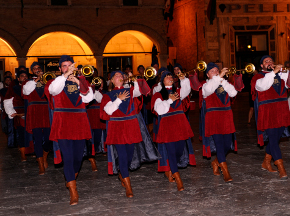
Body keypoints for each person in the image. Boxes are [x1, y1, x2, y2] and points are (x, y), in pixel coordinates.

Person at [100, 70, 158, 198]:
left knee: (130, 155)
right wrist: (119, 100)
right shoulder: (107, 95)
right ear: (112, 80)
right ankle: (128, 185)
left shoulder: (130, 91)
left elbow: (139, 92)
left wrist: (134, 80)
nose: (120, 77)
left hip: (131, 126)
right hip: (118, 128)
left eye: (122, 75)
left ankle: (122, 173)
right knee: (122, 155)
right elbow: (108, 110)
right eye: (117, 76)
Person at [46, 55, 93, 205]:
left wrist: (79, 81)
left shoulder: (81, 81)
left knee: (78, 157)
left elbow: (88, 98)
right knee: (67, 157)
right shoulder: (55, 82)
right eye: (64, 66)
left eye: (69, 65)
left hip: (79, 122)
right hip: (63, 123)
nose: (67, 68)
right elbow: (53, 90)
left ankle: (70, 178)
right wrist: (65, 76)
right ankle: (73, 191)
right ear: (60, 68)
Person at [251, 55, 290, 180]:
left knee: (275, 139)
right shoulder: (258, 77)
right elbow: (262, 86)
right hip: (268, 112)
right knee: (272, 137)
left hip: (282, 110)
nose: (269, 62)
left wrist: (287, 72)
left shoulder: (280, 75)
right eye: (266, 61)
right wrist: (274, 72)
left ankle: (266, 162)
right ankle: (281, 167)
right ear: (262, 66)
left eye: (271, 60)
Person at [151, 70, 194, 191]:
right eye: (166, 77)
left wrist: (183, 79)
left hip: (180, 124)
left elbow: (187, 89)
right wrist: (169, 100)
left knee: (179, 151)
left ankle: (170, 168)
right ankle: (178, 178)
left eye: (170, 76)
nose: (169, 77)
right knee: (171, 152)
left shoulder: (179, 91)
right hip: (167, 125)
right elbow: (159, 110)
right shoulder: (158, 95)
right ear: (162, 81)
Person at [200, 62, 237, 183]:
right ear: (207, 75)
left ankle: (216, 162)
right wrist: (219, 77)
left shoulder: (223, 82)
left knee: (227, 144)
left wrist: (223, 81)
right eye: (212, 71)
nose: (216, 72)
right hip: (214, 116)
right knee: (220, 144)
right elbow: (209, 90)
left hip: (226, 115)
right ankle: (225, 171)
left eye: (217, 70)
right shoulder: (206, 86)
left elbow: (233, 93)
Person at [22, 62, 51, 175]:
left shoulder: (47, 80)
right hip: (34, 112)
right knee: (37, 138)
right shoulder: (28, 82)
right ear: (32, 71)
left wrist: (45, 81)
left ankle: (44, 156)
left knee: (49, 137)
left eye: (38, 68)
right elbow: (26, 91)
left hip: (46, 110)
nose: (37, 70)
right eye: (34, 69)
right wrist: (36, 80)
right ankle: (40, 164)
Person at [3, 68, 28, 160]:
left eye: (26, 76)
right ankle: (22, 154)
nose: (24, 78)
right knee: (21, 134)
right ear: (18, 78)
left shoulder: (31, 86)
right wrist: (11, 112)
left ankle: (30, 151)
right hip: (19, 114)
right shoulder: (14, 88)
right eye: (22, 76)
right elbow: (7, 100)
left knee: (30, 133)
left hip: (30, 113)